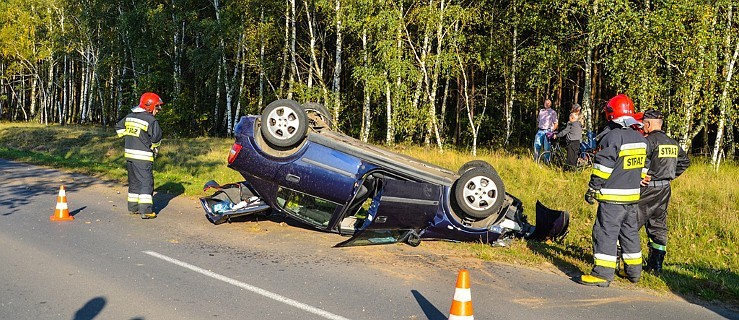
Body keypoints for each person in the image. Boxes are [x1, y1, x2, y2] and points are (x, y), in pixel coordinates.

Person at [578, 94, 650, 287]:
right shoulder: (640, 137)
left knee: (605, 233)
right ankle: (634, 272)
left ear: (611, 114)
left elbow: (603, 167)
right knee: (630, 234)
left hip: (612, 199)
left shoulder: (612, 136)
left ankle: (602, 273)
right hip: (632, 198)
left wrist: (593, 187)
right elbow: (645, 164)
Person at [637, 109, 690, 275]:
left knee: (630, 222)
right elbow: (684, 162)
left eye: (643, 123)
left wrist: (640, 176)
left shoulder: (648, 142)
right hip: (665, 189)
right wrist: (670, 175)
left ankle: (623, 260)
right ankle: (656, 265)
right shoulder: (672, 143)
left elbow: (637, 162)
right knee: (659, 226)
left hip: (648, 189)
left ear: (648, 124)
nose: (642, 126)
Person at [115, 92, 164, 219]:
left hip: (129, 155)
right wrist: (154, 147)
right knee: (146, 182)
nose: (158, 111)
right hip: (143, 157)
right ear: (149, 106)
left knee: (134, 182)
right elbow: (156, 138)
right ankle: (146, 210)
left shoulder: (130, 116)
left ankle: (133, 207)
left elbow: (119, 127)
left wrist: (130, 136)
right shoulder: (151, 120)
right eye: (157, 107)